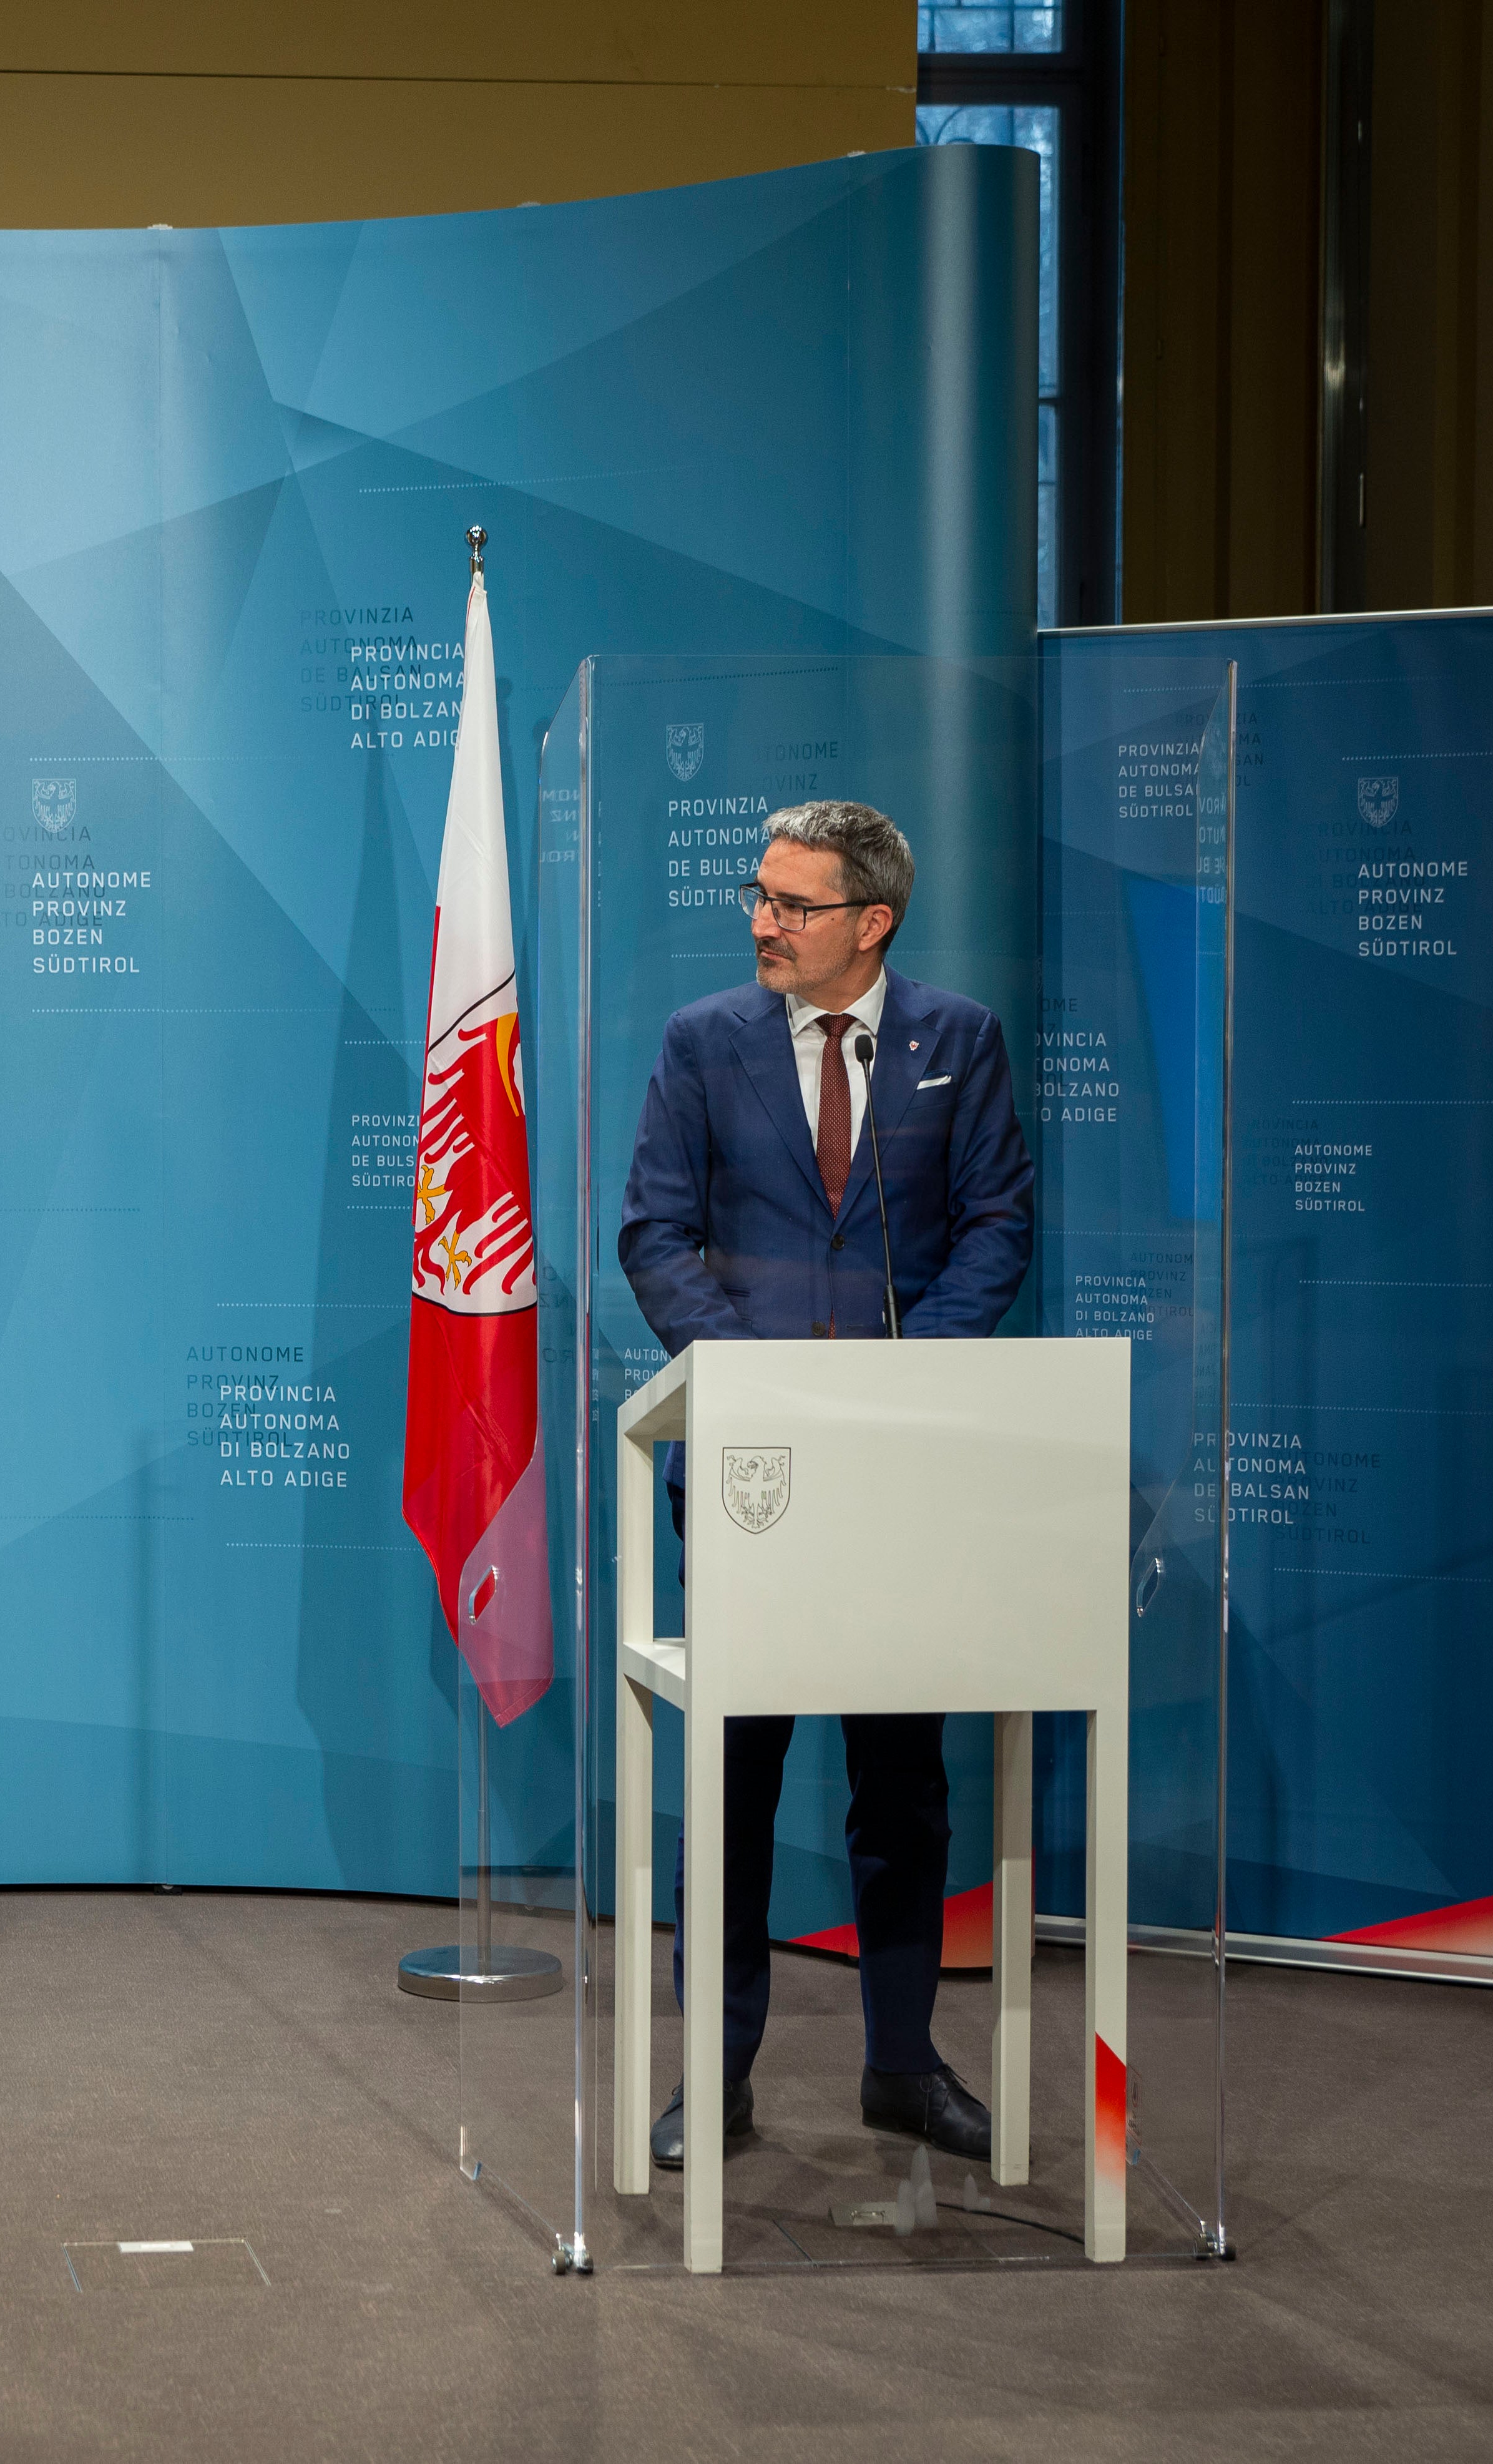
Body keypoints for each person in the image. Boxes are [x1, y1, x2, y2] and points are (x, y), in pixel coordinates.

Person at [615, 799, 1033, 2170]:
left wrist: (906, 1385)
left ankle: (903, 2067)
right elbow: (655, 1235)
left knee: (902, 1784)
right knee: (733, 1783)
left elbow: (996, 1226)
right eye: (758, 895)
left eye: (792, 905)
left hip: (905, 1474)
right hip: (756, 1472)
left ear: (873, 922)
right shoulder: (703, 1042)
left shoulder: (959, 1040)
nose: (762, 922)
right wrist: (762, 1392)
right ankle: (715, 2079)